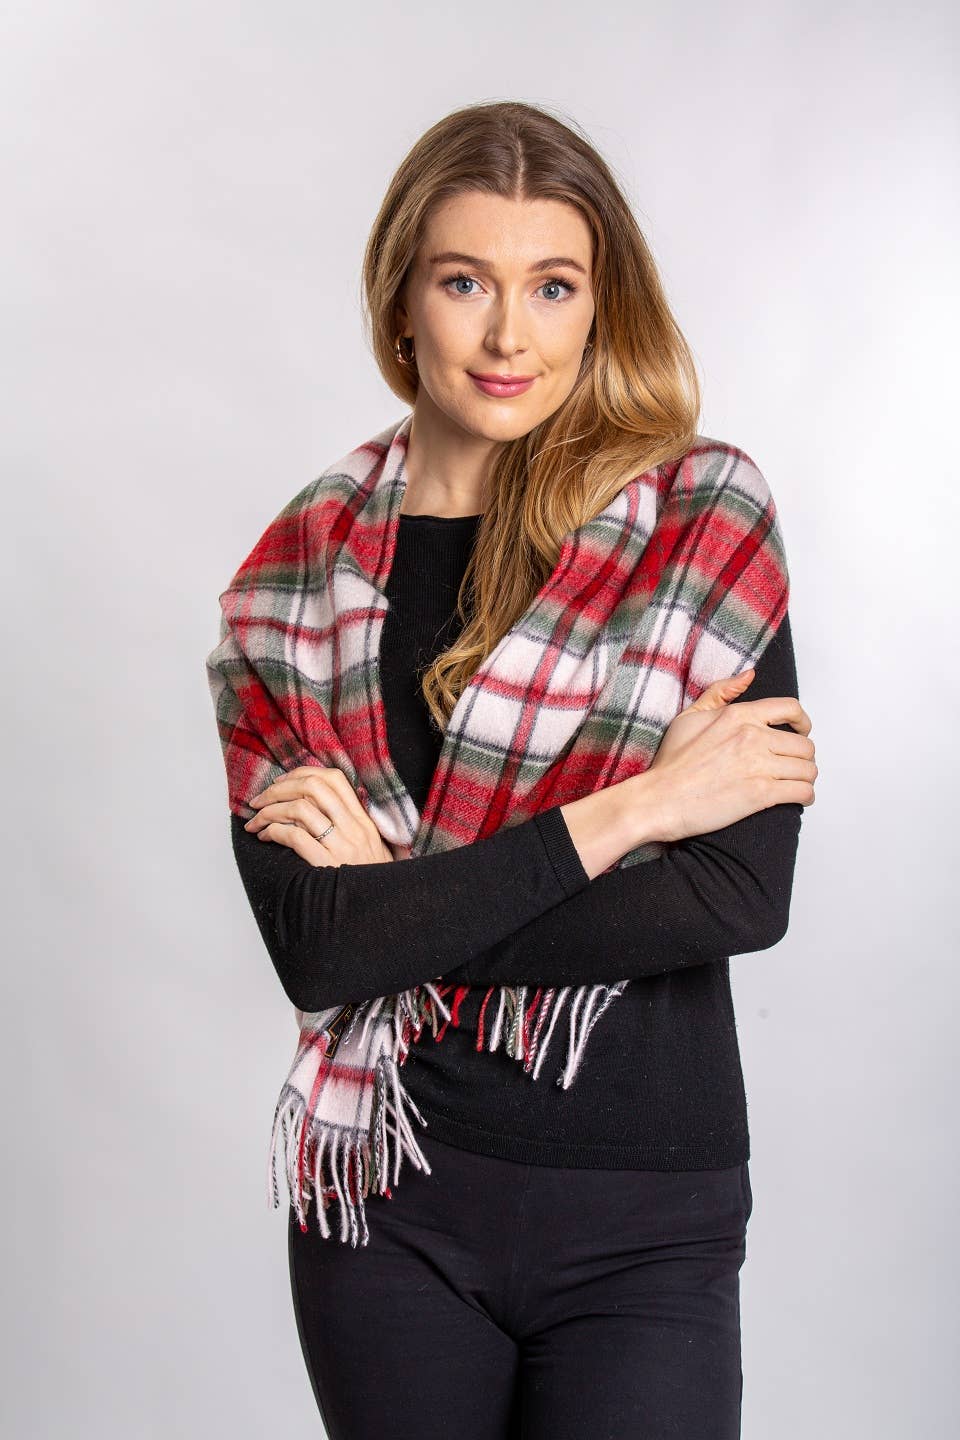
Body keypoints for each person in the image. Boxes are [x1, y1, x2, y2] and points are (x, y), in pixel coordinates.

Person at [224, 100, 817, 1440]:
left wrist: (405, 909)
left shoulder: (700, 530)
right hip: (388, 1207)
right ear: (403, 301)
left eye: (552, 286)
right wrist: (644, 807)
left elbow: (734, 896)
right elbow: (319, 953)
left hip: (644, 1220)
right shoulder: (291, 586)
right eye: (464, 282)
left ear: (600, 306)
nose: (509, 336)